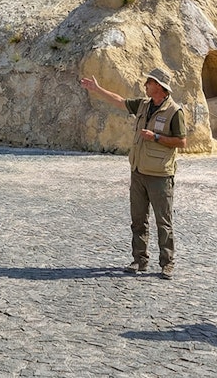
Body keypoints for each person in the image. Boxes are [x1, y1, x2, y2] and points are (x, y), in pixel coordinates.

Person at [80, 68, 186, 280]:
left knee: (163, 221)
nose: (145, 85)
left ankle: (167, 263)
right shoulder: (143, 105)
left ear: (159, 86)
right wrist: (97, 89)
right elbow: (120, 101)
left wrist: (155, 137)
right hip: (138, 171)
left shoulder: (175, 111)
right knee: (138, 219)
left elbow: (182, 142)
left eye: (149, 82)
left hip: (160, 175)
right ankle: (139, 259)